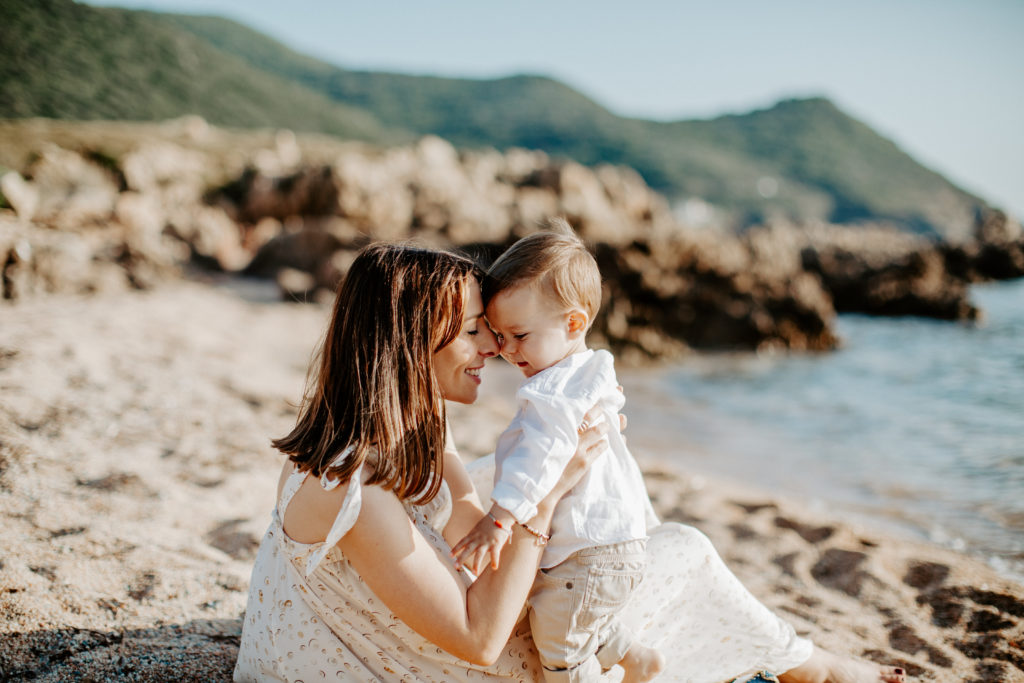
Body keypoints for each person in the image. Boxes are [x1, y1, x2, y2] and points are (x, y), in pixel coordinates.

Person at [234, 240, 908, 683]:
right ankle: (809, 667)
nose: (494, 348)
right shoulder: (352, 479)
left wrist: (543, 497)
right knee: (676, 555)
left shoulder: (416, 432)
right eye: (473, 331)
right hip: (398, 663)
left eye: (495, 331)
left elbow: (478, 527)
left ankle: (803, 663)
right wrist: (551, 493)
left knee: (640, 558)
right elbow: (479, 634)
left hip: (420, 634)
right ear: (411, 341)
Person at [451, 223, 664, 682]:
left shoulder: (554, 393)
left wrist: (500, 519)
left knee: (561, 650)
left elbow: (541, 457)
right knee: (569, 613)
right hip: (612, 541)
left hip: (588, 550)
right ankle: (637, 659)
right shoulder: (589, 373)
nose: (505, 350)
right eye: (497, 335)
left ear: (573, 323)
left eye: (519, 336)